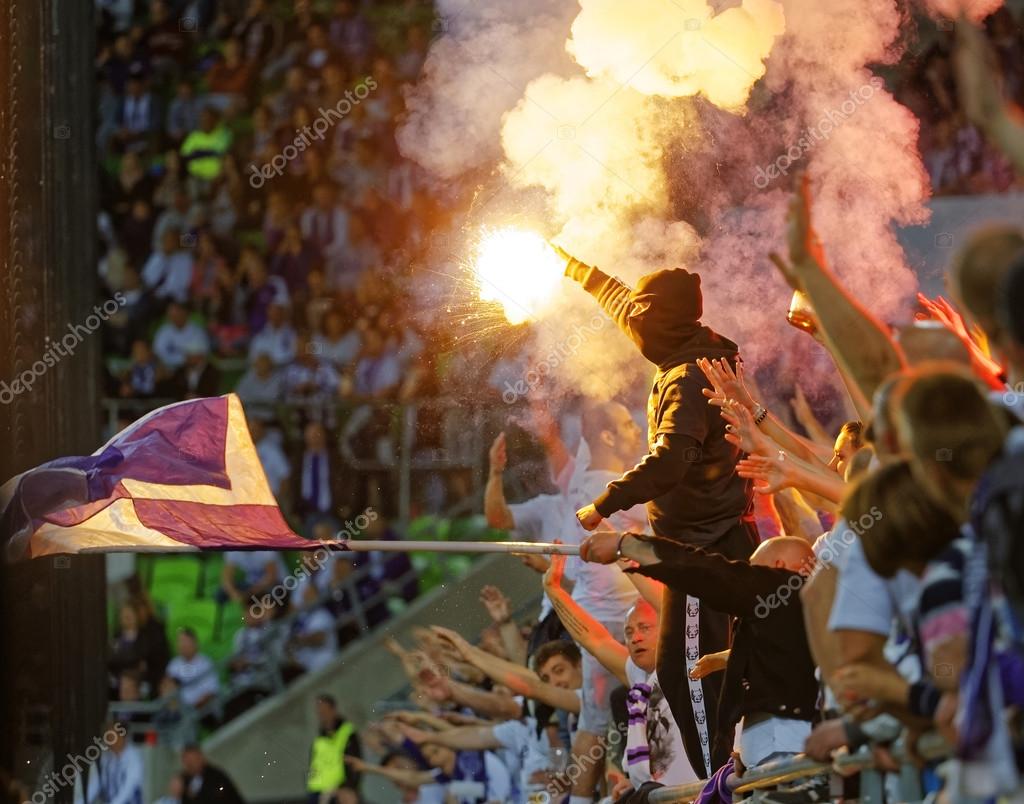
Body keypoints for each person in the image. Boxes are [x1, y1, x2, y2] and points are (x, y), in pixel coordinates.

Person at [557, 247, 756, 776]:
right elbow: (627, 305)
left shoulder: (687, 376)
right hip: (713, 542)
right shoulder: (689, 343)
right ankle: (737, 773)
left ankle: (722, 780)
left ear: (660, 320)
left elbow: (670, 460)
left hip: (703, 549)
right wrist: (581, 270)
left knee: (686, 672)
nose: (634, 327)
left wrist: (603, 505)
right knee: (712, 669)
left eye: (642, 318)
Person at [580, 531, 819, 775]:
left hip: (784, 750)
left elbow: (708, 573)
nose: (748, 574)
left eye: (753, 569)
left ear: (778, 567)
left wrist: (628, 545)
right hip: (784, 747)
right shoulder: (817, 613)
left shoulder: (783, 586)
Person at [542, 553, 699, 801]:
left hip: (697, 793)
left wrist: (622, 553)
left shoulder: (688, 658)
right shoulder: (638, 673)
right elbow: (594, 639)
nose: (635, 637)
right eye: (628, 631)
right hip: (657, 797)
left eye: (644, 628)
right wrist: (554, 591)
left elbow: (674, 609)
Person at [306, 694, 362, 804]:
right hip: (316, 790)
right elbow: (314, 763)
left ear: (333, 710)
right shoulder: (319, 738)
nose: (322, 715)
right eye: (319, 711)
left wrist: (348, 787)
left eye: (324, 710)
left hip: (339, 790)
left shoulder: (347, 732)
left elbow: (354, 762)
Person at [165, 628, 220, 713]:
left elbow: (211, 692)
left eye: (186, 641)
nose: (182, 645)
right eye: (180, 641)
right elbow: (167, 691)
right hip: (179, 712)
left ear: (195, 643)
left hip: (203, 711)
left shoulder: (205, 663)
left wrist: (192, 709)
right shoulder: (173, 665)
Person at [87, 722, 142, 804]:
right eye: (107, 737)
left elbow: (127, 790)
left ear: (122, 737)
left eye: (112, 737)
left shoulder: (134, 759)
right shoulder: (107, 758)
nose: (109, 741)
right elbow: (96, 784)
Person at [181, 745, 246, 804]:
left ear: (201, 758)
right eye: (188, 763)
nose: (191, 766)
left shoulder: (216, 777)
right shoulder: (186, 781)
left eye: (193, 761)